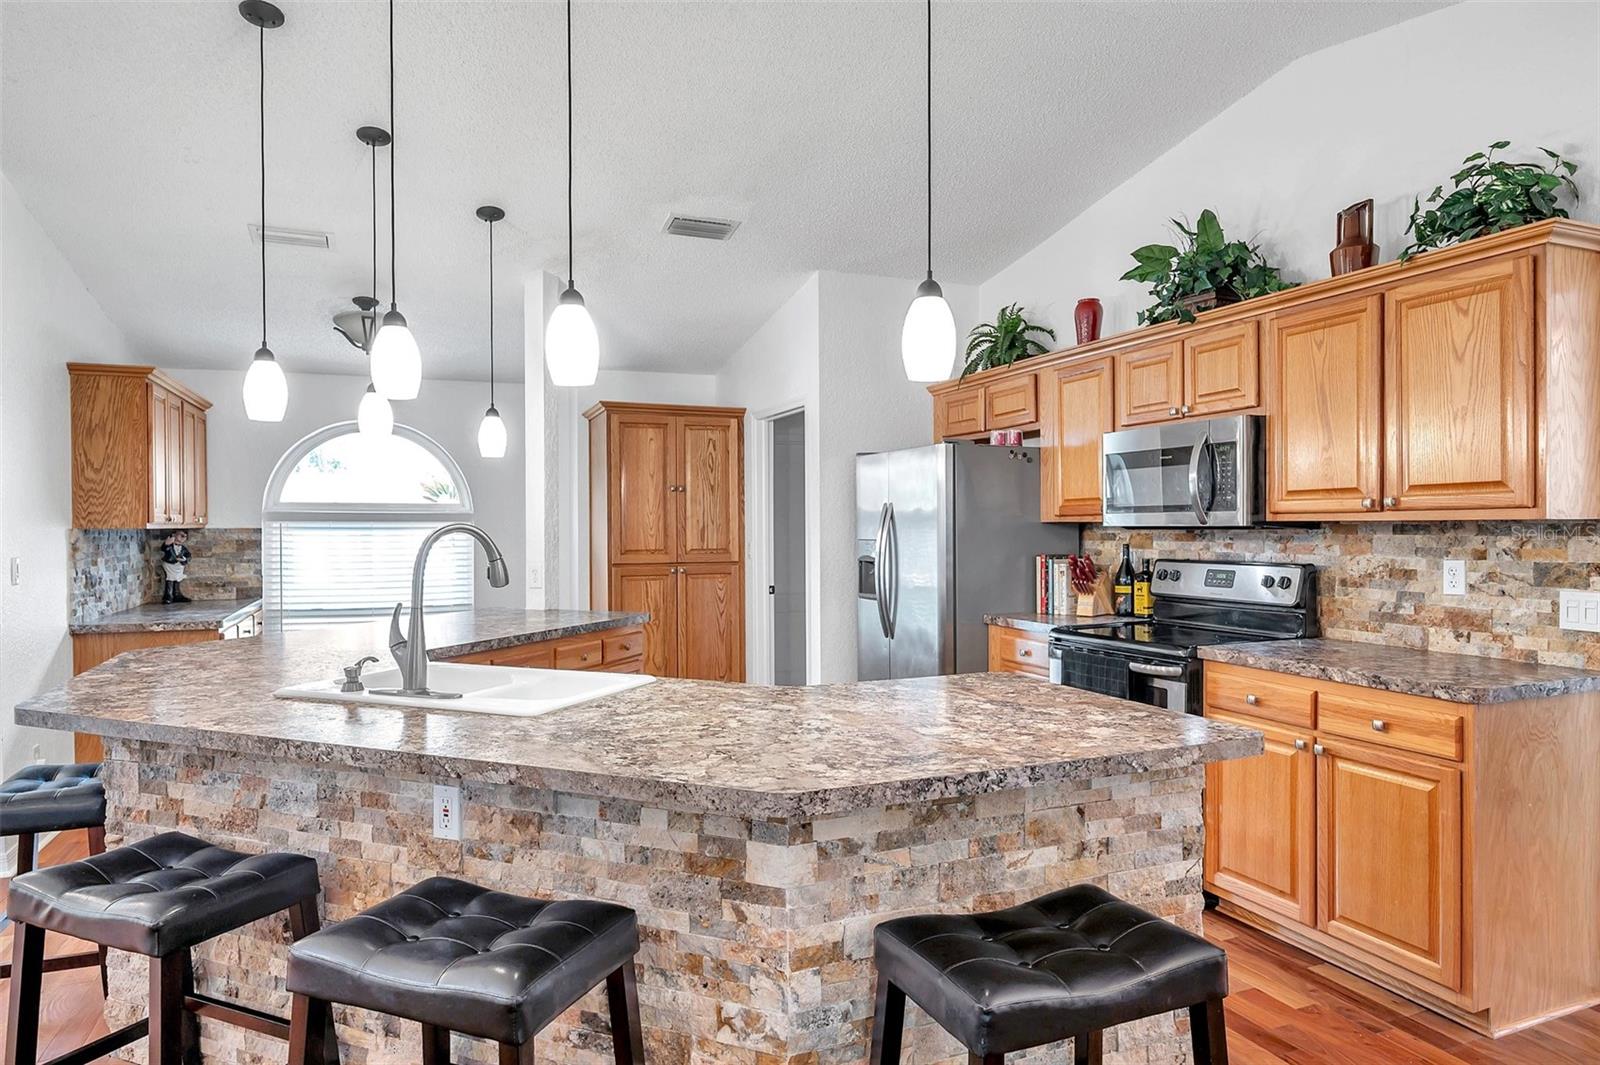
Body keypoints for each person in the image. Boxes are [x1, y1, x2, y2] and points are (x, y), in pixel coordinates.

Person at [161, 530, 192, 604]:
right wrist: (166, 544)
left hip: (179, 566)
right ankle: (168, 596)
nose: (183, 537)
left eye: (185, 536)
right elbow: (164, 548)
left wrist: (184, 559)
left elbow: (188, 556)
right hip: (170, 564)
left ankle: (177, 595)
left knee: (177, 579)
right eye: (181, 535)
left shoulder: (183, 548)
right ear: (174, 535)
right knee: (170, 579)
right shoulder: (170, 545)